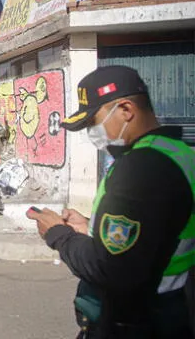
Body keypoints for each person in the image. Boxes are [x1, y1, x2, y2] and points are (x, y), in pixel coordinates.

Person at [26, 65, 194, 338]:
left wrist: (59, 234)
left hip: (136, 320)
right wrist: (91, 227)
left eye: (94, 121)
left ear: (126, 110)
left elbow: (111, 269)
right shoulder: (179, 152)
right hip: (170, 307)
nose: (93, 131)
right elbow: (155, 229)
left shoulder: (142, 167)